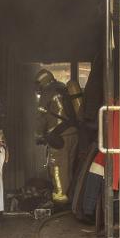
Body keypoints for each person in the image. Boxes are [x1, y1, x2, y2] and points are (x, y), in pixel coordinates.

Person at [34, 69, 79, 204]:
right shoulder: (62, 87)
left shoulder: (47, 93)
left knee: (58, 167)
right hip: (73, 133)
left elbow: (41, 118)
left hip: (59, 136)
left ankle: (60, 198)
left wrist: (38, 135)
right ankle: (70, 197)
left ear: (42, 82)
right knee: (69, 166)